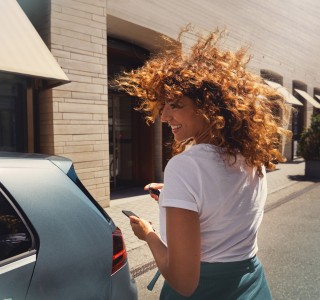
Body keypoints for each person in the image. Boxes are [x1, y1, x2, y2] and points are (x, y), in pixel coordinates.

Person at [113, 27, 291, 299]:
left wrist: (148, 234)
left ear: (208, 107)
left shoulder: (185, 167)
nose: (164, 116)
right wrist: (174, 198)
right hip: (253, 286)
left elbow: (184, 282)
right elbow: (225, 209)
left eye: (175, 105)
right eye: (163, 106)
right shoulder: (252, 158)